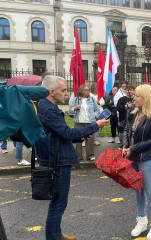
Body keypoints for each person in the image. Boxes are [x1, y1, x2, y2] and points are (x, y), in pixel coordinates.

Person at [35, 75, 109, 240]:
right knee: (59, 203)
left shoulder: (46, 106)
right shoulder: (48, 109)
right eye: (63, 90)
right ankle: (53, 237)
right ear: (52, 92)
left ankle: (56, 234)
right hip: (58, 160)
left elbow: (60, 135)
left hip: (56, 156)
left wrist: (80, 137)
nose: (67, 94)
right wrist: (94, 125)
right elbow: (66, 132)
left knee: (58, 202)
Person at [122, 84, 151, 240]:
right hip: (132, 157)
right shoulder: (133, 113)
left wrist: (133, 148)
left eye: (138, 95)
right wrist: (126, 147)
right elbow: (126, 130)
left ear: (146, 97)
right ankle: (142, 219)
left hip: (147, 158)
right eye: (135, 95)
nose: (135, 97)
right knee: (137, 189)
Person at [69, 84, 100, 161]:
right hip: (79, 122)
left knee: (90, 139)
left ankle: (90, 155)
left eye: (88, 90)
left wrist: (94, 116)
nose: (88, 91)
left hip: (90, 122)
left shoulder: (92, 99)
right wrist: (75, 108)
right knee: (78, 139)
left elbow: (97, 110)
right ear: (81, 91)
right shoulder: (76, 100)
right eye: (86, 90)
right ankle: (78, 156)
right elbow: (70, 110)